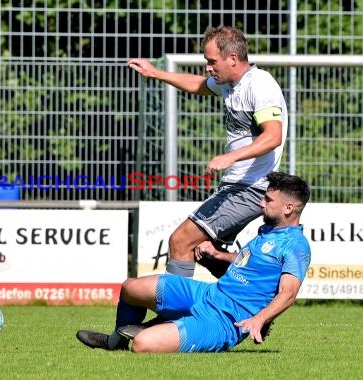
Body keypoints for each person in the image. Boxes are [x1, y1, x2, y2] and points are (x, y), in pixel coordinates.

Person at [76, 171, 310, 353]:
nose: (261, 203)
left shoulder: (296, 246)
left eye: (268, 200)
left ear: (289, 208)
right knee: (131, 287)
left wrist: (259, 320)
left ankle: (150, 330)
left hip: (226, 321)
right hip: (208, 294)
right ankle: (115, 342)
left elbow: (288, 293)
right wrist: (219, 255)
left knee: (143, 345)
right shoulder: (268, 232)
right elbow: (248, 264)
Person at [128, 26, 288, 281]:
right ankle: (254, 299)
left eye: (212, 61)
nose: (208, 67)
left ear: (233, 59)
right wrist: (154, 72)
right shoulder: (231, 84)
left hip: (252, 187)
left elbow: (273, 136)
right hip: (237, 185)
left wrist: (230, 157)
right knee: (205, 252)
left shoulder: (260, 84)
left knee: (180, 241)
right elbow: (198, 84)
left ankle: (174, 316)